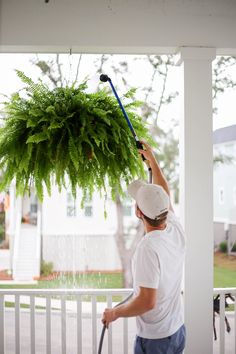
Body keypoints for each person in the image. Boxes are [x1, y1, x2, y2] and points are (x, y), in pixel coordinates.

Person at [102, 141, 186, 354]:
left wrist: (115, 313)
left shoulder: (148, 247)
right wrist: (152, 161)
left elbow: (147, 301)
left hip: (156, 341)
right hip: (177, 332)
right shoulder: (175, 228)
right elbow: (163, 190)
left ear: (138, 213)